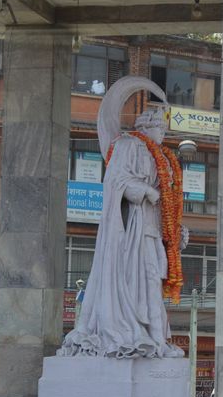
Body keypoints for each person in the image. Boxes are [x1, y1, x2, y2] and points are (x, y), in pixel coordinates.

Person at [58, 105, 186, 359]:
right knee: (145, 277)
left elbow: (169, 199)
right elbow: (115, 179)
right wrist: (144, 190)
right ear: (144, 127)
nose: (162, 133)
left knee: (153, 278)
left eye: (164, 128)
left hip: (153, 223)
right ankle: (149, 338)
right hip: (133, 226)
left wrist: (176, 231)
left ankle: (157, 340)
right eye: (158, 127)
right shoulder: (129, 144)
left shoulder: (163, 155)